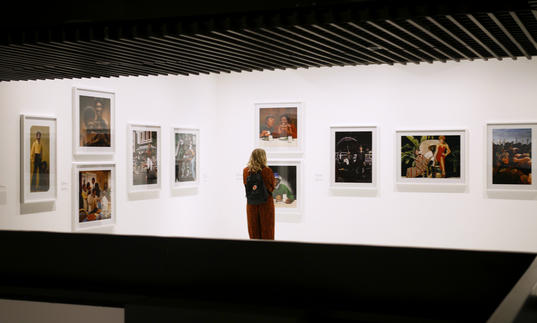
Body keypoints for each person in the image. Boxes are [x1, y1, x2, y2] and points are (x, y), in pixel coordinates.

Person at [243, 148, 275, 240]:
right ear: (263, 157)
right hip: (266, 204)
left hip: (251, 203)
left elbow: (245, 185)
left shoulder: (246, 171)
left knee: (253, 231)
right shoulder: (267, 171)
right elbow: (271, 187)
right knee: (267, 231)